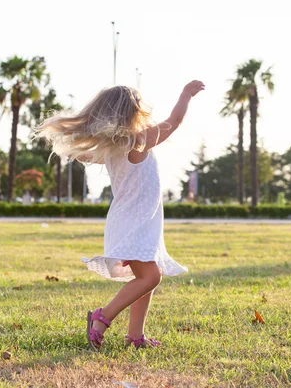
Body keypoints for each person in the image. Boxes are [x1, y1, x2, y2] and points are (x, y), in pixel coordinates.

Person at [37, 80, 205, 350]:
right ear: (134, 112)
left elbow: (87, 157)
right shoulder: (139, 140)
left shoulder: (113, 148)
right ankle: (101, 317)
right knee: (151, 277)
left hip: (132, 220)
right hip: (135, 222)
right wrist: (186, 95)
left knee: (148, 275)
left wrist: (84, 148)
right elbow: (173, 121)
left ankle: (135, 336)